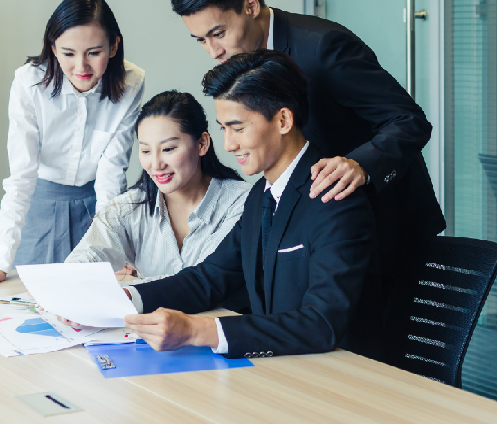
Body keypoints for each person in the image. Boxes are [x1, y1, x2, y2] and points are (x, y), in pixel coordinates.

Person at [169, 0, 445, 319]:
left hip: (382, 225)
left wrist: (360, 165)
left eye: (218, 34)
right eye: (201, 40)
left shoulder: (324, 47)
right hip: (317, 221)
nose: (213, 52)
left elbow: (408, 120)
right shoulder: (246, 64)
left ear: (250, 6)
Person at [116, 51, 376, 359]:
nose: (228, 145)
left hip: (341, 377)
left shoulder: (333, 197)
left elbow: (322, 323)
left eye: (238, 128)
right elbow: (209, 278)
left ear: (283, 120)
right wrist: (127, 298)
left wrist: (200, 331)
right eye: (224, 128)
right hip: (281, 369)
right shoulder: (260, 196)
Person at [0, 0, 145, 287]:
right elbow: (21, 177)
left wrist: (114, 248)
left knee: (100, 296)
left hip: (99, 205)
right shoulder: (29, 83)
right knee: (32, 303)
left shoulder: (131, 82)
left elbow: (111, 174)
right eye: (68, 53)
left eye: (93, 52)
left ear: (114, 46)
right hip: (39, 204)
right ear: (53, 48)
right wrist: (0, 262)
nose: (81, 66)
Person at [65, 90, 250, 285]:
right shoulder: (129, 208)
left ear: (202, 144)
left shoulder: (241, 203)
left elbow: (205, 281)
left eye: (168, 149)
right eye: (145, 150)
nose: (155, 164)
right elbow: (86, 257)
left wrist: (131, 285)